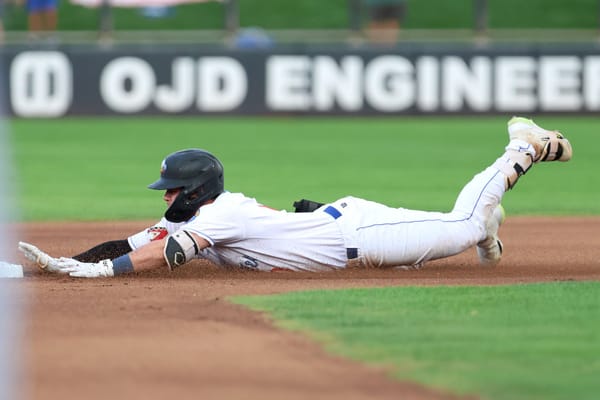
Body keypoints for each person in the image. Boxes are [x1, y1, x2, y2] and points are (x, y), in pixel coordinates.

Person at [18, 117, 573, 278]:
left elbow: (163, 254)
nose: (166, 202)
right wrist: (66, 264)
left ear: (197, 191)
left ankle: (521, 150)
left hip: (358, 237)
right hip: (338, 226)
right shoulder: (202, 212)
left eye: (173, 192)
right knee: (462, 223)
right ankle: (492, 212)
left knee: (464, 226)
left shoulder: (221, 212)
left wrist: (107, 274)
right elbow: (130, 241)